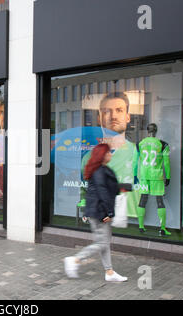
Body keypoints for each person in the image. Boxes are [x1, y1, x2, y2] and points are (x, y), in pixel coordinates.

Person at [65, 143, 128, 282]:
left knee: (104, 242)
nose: (111, 154)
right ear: (102, 155)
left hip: (98, 210)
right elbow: (102, 192)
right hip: (100, 212)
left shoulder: (101, 169)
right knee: (102, 243)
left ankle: (109, 272)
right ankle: (75, 260)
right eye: (108, 153)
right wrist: (109, 213)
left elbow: (107, 189)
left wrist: (121, 188)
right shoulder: (99, 171)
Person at [80, 92, 139, 219]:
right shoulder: (87, 158)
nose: (113, 116)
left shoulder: (137, 152)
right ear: (99, 118)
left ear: (128, 117)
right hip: (102, 214)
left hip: (130, 216)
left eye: (119, 110)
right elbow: (86, 190)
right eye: (107, 111)